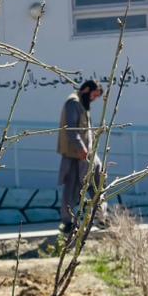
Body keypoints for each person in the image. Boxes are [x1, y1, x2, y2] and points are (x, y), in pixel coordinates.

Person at [57, 79, 108, 235]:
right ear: (86, 90)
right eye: (93, 95)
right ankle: (68, 223)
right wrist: (82, 149)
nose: (93, 99)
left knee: (97, 185)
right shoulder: (73, 103)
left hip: (89, 156)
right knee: (71, 190)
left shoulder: (83, 104)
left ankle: (101, 218)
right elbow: (72, 130)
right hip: (75, 156)